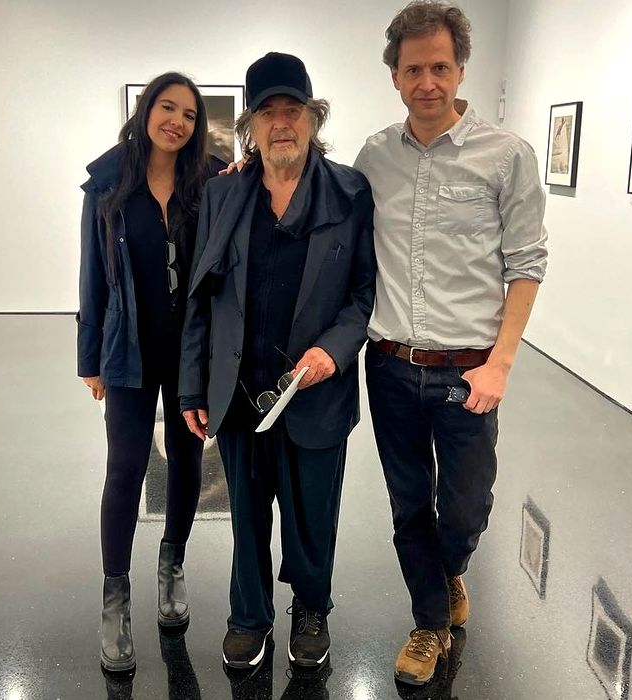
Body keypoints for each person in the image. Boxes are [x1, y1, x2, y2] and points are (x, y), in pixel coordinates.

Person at [352, 1, 548, 685]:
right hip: (389, 364)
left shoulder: (508, 155)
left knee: (465, 509)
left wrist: (501, 364)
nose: (427, 82)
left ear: (461, 69)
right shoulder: (374, 156)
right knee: (409, 505)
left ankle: (451, 568)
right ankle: (429, 623)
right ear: (395, 77)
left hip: (469, 371)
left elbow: (527, 263)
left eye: (439, 67)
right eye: (413, 70)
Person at [178, 52, 376, 671]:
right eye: (267, 112)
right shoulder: (223, 193)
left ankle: (311, 608)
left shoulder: (350, 191)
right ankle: (248, 615)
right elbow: (201, 295)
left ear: (314, 118)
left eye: (293, 110)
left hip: (314, 390)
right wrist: (191, 388)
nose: (281, 123)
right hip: (241, 389)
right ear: (250, 127)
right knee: (245, 514)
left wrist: (333, 352)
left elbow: (364, 294)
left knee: (313, 513)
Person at [77, 71, 226, 673]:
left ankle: (172, 566)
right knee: (125, 468)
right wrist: (90, 357)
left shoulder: (211, 181)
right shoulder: (108, 181)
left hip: (191, 351)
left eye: (189, 114)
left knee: (188, 460)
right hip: (128, 350)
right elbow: (92, 273)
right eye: (168, 108)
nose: (177, 122)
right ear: (145, 111)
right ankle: (115, 599)